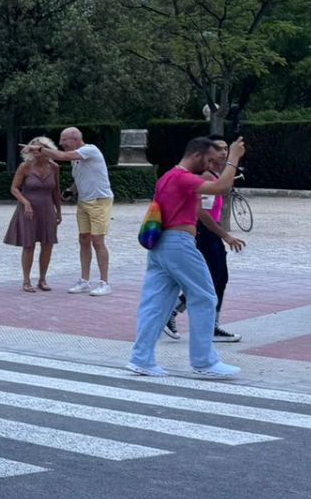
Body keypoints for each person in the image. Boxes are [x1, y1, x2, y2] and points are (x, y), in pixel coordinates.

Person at [129, 136, 245, 380]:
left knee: (155, 303)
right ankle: (204, 361)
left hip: (160, 245)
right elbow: (222, 187)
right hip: (178, 243)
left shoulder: (166, 177)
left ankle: (141, 358)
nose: (212, 166)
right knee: (204, 296)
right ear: (196, 155)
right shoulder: (182, 177)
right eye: (210, 160)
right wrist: (234, 156)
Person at [167, 136, 247, 345]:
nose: (223, 153)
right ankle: (178, 313)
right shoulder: (206, 177)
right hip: (205, 234)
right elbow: (203, 213)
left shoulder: (213, 175)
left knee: (217, 279)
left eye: (225, 149)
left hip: (208, 234)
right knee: (212, 279)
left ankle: (185, 315)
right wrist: (225, 235)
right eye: (219, 149)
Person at [38, 128, 115, 295]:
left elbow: (62, 157)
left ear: (75, 139)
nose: (61, 143)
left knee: (98, 241)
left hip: (99, 201)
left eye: (64, 140)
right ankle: (84, 281)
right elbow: (80, 178)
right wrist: (69, 191)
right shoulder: (76, 157)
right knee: (84, 239)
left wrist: (39, 149)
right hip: (84, 201)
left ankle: (104, 283)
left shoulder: (90, 150)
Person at [5, 138, 63, 292]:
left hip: (47, 208)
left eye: (42, 148)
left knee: (48, 244)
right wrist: (26, 203)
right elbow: (14, 188)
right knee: (29, 244)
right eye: (35, 149)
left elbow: (56, 191)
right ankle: (26, 280)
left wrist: (59, 211)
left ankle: (42, 279)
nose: (38, 152)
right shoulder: (25, 167)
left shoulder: (54, 167)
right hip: (28, 210)